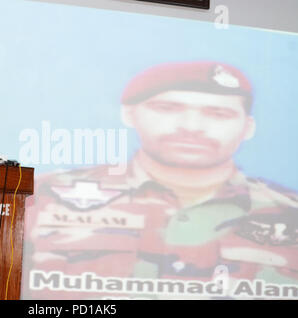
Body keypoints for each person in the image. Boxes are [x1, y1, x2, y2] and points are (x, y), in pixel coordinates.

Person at [22, 61, 298, 299]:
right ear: (129, 114)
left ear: (248, 127)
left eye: (218, 113)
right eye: (167, 108)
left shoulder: (290, 213)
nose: (191, 127)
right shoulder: (40, 198)